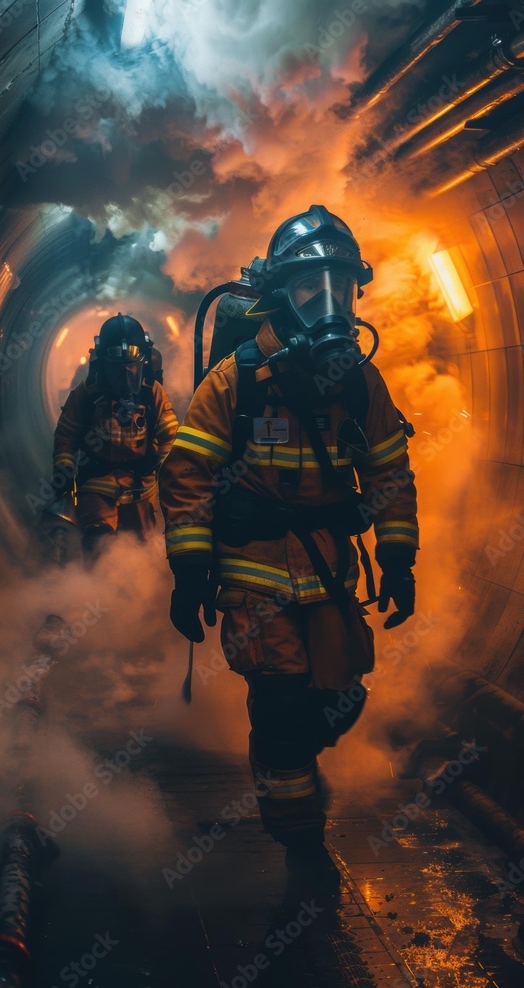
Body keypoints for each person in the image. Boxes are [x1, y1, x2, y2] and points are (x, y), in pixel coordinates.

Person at [159, 206, 419, 900]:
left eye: (341, 284)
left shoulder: (361, 381)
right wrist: (190, 572)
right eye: (310, 286)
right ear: (280, 292)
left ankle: (293, 766)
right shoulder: (239, 381)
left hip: (330, 576)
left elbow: (391, 471)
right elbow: (185, 472)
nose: (328, 301)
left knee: (337, 702)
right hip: (255, 578)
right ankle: (301, 840)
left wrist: (398, 557)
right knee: (279, 711)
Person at [52, 313, 178, 563]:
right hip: (97, 491)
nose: (127, 371)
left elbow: (170, 435)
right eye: (117, 363)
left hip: (141, 490)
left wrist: (165, 470)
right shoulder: (87, 394)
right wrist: (63, 469)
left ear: (144, 358)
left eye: (132, 360)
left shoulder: (152, 392)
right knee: (99, 548)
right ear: (102, 361)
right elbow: (66, 434)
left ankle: (133, 599)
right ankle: (97, 596)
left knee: (140, 556)